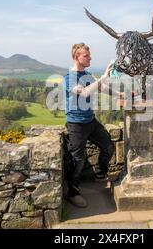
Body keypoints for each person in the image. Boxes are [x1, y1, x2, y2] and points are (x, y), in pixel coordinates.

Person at [63, 42, 122, 208]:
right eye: (86, 55)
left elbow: (101, 88)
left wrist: (121, 93)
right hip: (76, 124)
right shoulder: (69, 78)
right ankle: (72, 193)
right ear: (77, 57)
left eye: (89, 55)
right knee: (78, 159)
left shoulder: (87, 74)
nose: (90, 58)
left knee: (108, 146)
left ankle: (100, 174)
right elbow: (85, 92)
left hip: (90, 120)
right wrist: (103, 76)